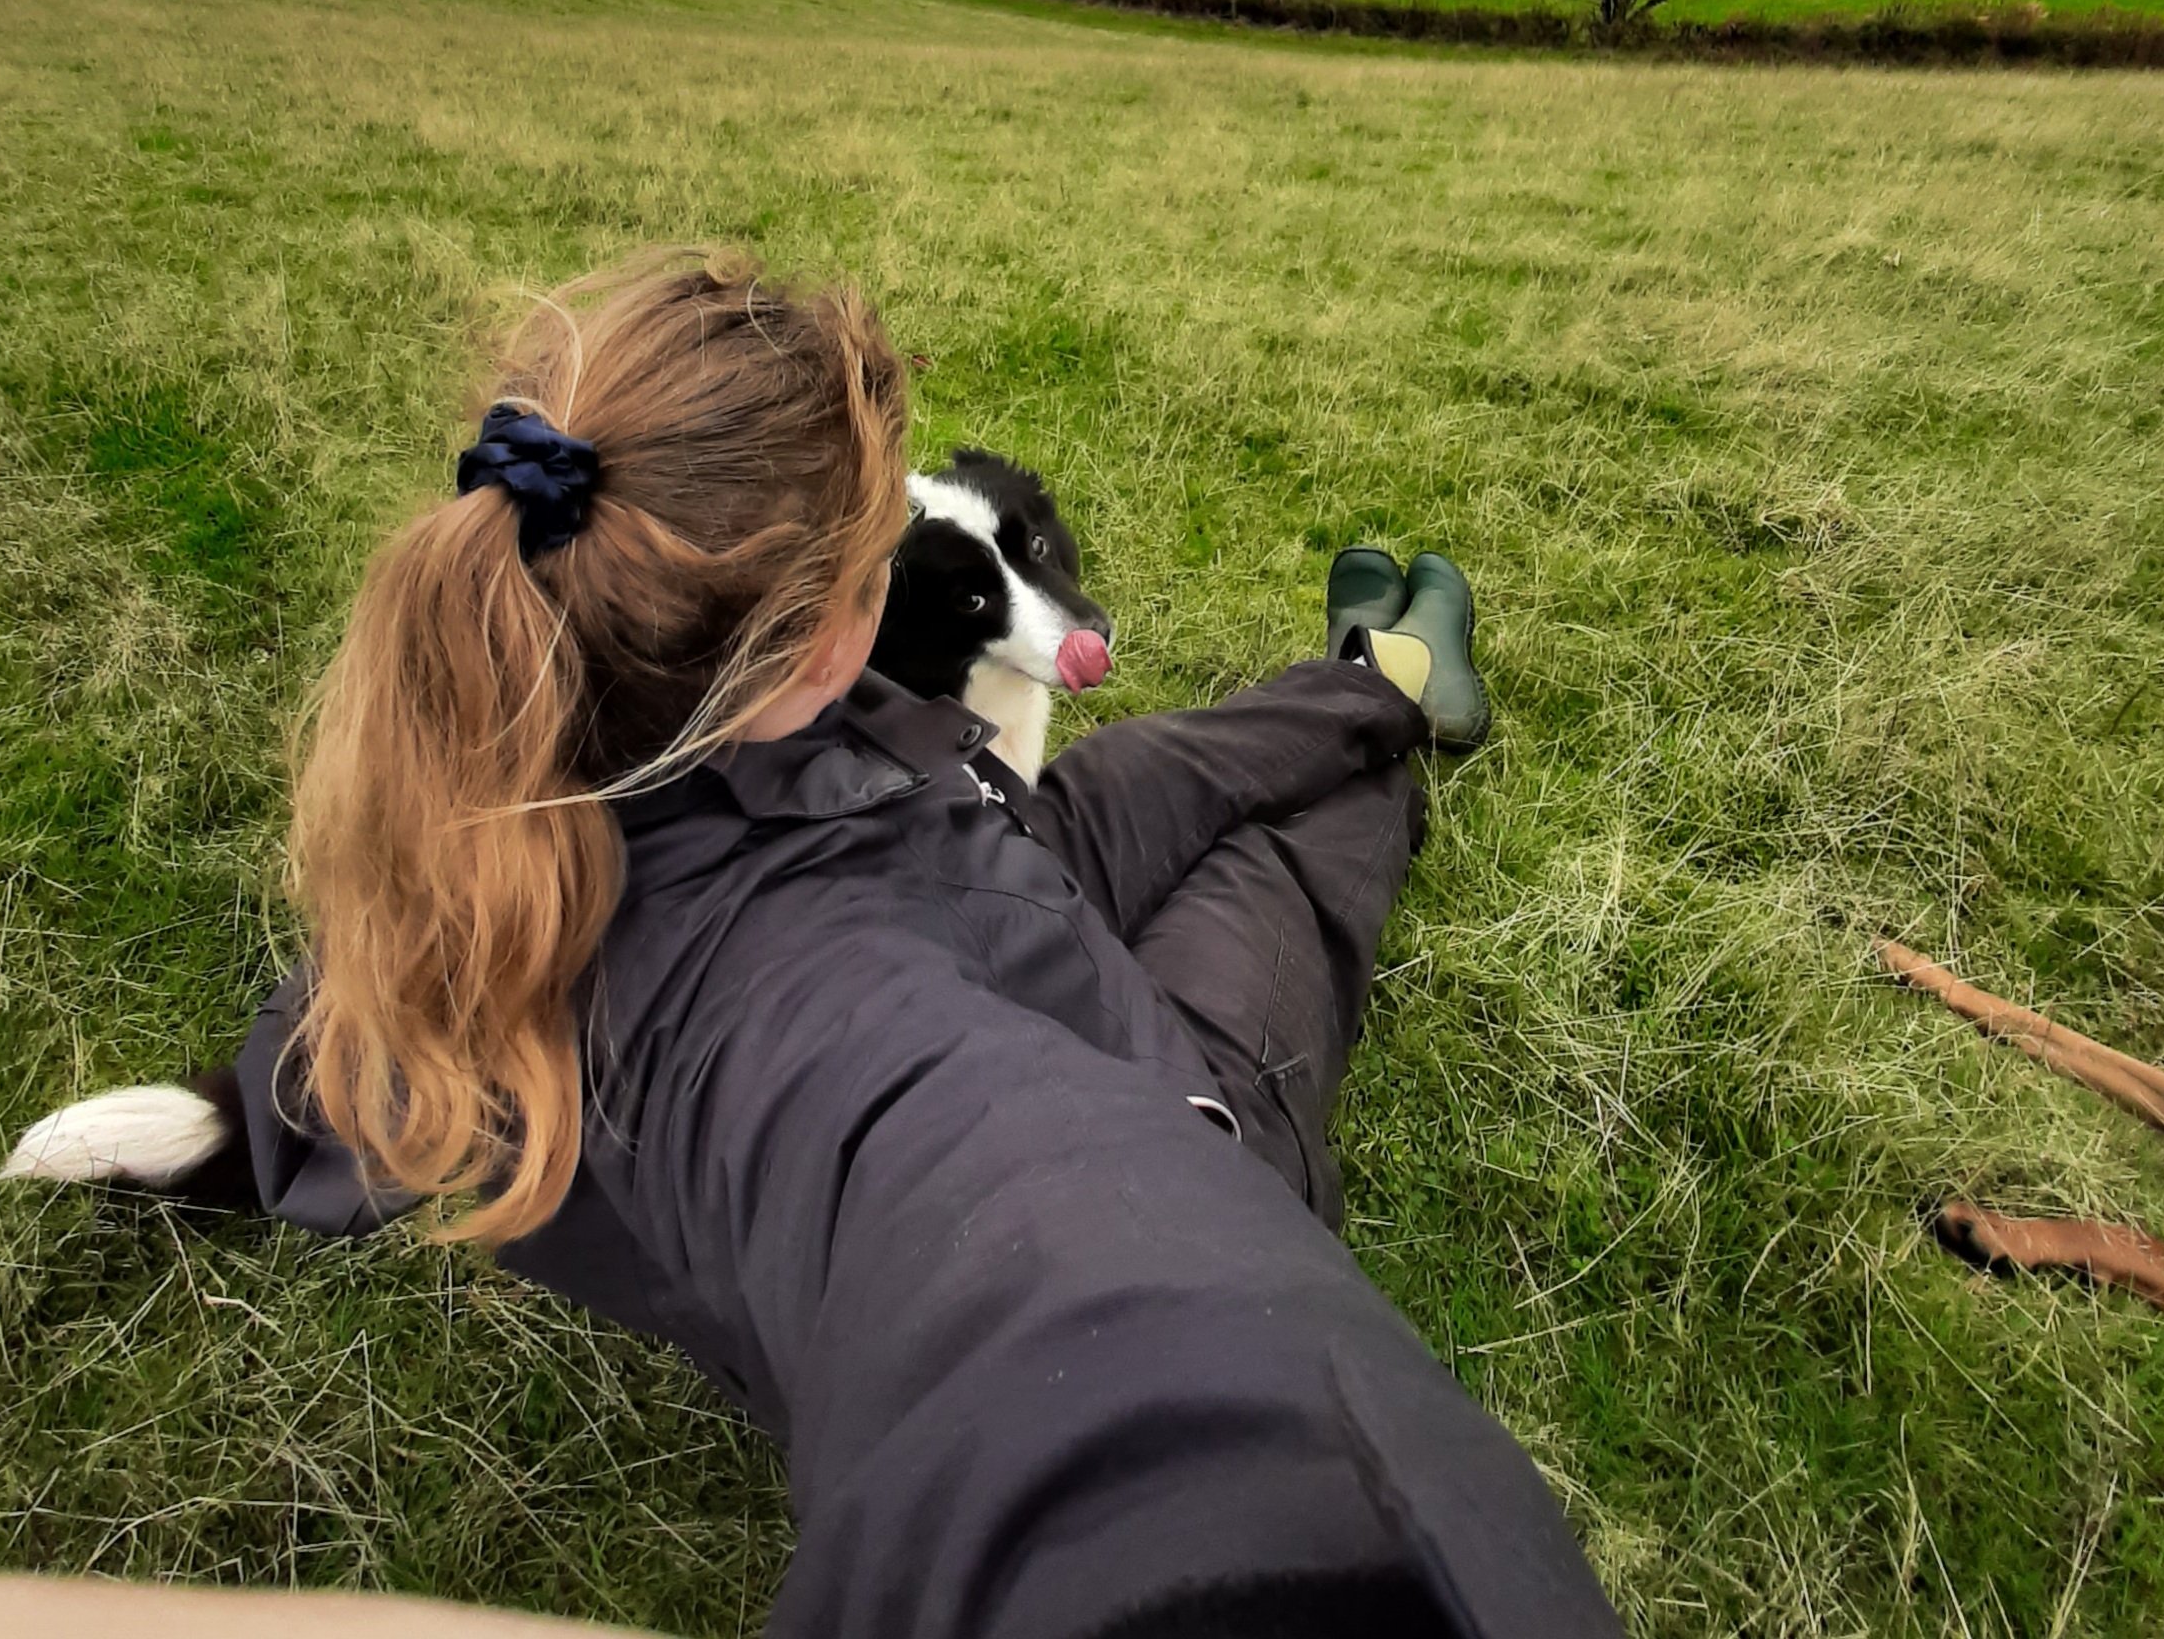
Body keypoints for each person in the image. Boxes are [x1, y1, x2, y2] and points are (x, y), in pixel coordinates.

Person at [181, 257, 1622, 1638]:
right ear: (823, 633)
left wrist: (234, 1124)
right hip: (1165, 1106)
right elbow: (1019, 1231)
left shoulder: (505, 793)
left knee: (1138, 779)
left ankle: (1350, 683)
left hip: (980, 874)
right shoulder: (807, 1005)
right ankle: (1397, 704)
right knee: (1281, 852)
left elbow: (350, 1027)